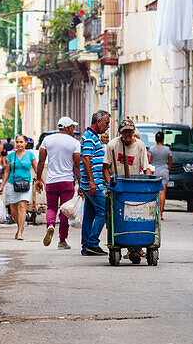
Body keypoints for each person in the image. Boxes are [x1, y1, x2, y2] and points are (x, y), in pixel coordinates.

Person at [102, 117, 155, 264]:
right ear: (120, 133)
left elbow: (146, 168)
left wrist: (148, 185)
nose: (127, 135)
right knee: (119, 217)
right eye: (124, 133)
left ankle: (136, 248)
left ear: (133, 132)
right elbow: (105, 168)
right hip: (118, 187)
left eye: (130, 132)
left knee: (137, 215)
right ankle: (126, 246)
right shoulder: (113, 145)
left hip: (135, 186)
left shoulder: (140, 146)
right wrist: (110, 185)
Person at [35, 116, 81, 250]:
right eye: (72, 127)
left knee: (51, 208)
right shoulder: (74, 143)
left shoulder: (47, 140)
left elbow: (41, 162)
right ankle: (62, 241)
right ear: (67, 127)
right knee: (66, 211)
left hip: (51, 181)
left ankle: (50, 225)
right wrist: (80, 183)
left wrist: (38, 179)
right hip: (67, 181)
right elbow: (77, 166)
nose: (73, 129)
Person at [79, 109, 111, 257]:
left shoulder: (92, 137)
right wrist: (92, 182)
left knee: (89, 215)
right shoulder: (89, 138)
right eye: (106, 123)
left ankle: (86, 246)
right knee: (103, 212)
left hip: (91, 183)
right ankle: (92, 244)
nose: (108, 126)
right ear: (98, 122)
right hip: (94, 183)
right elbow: (86, 159)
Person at [0, 134, 37, 239]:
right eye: (18, 142)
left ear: (26, 143)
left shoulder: (30, 155)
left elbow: (37, 170)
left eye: (21, 142)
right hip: (12, 184)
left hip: (26, 184)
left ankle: (20, 232)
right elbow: (7, 171)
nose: (19, 144)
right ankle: (20, 225)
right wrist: (2, 186)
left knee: (22, 206)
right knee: (14, 210)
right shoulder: (11, 155)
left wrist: (42, 182)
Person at [148, 131, 172, 219]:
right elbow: (170, 161)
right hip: (164, 171)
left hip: (155, 171)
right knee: (162, 193)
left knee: (154, 192)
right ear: (163, 139)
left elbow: (149, 161)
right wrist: (167, 168)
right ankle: (161, 213)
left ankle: (153, 212)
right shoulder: (167, 149)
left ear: (155, 139)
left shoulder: (151, 149)